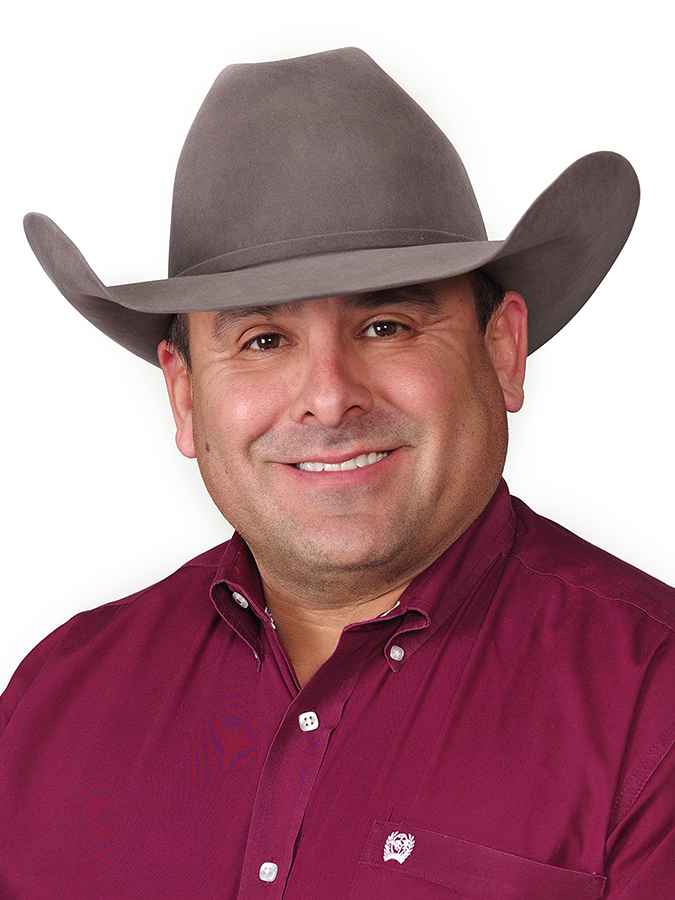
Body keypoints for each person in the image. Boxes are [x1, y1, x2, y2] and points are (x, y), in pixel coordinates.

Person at [1, 47, 673, 899]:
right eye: (263, 340)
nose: (327, 398)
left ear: (501, 350)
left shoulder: (653, 703)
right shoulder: (52, 700)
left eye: (386, 325)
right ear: (185, 394)